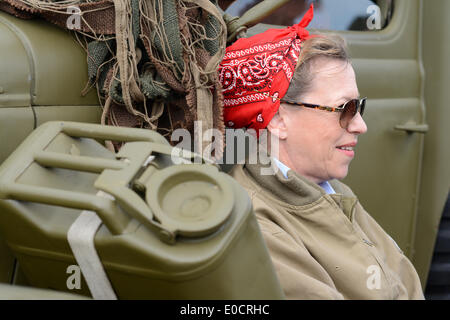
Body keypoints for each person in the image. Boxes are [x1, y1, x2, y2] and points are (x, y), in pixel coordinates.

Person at [218, 5, 424, 299]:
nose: (360, 125)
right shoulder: (258, 228)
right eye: (345, 109)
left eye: (359, 107)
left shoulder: (331, 193)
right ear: (277, 120)